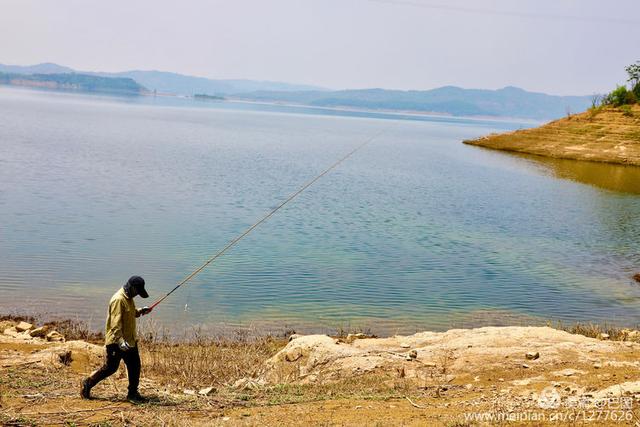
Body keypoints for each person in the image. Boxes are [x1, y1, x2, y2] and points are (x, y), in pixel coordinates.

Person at [81, 276, 153, 403]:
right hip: (116, 342)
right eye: (137, 292)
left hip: (129, 341)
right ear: (131, 287)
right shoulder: (118, 300)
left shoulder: (129, 298)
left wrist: (141, 311)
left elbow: (129, 313)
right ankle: (88, 383)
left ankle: (132, 394)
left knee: (135, 366)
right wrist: (120, 341)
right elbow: (115, 325)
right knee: (111, 368)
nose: (137, 295)